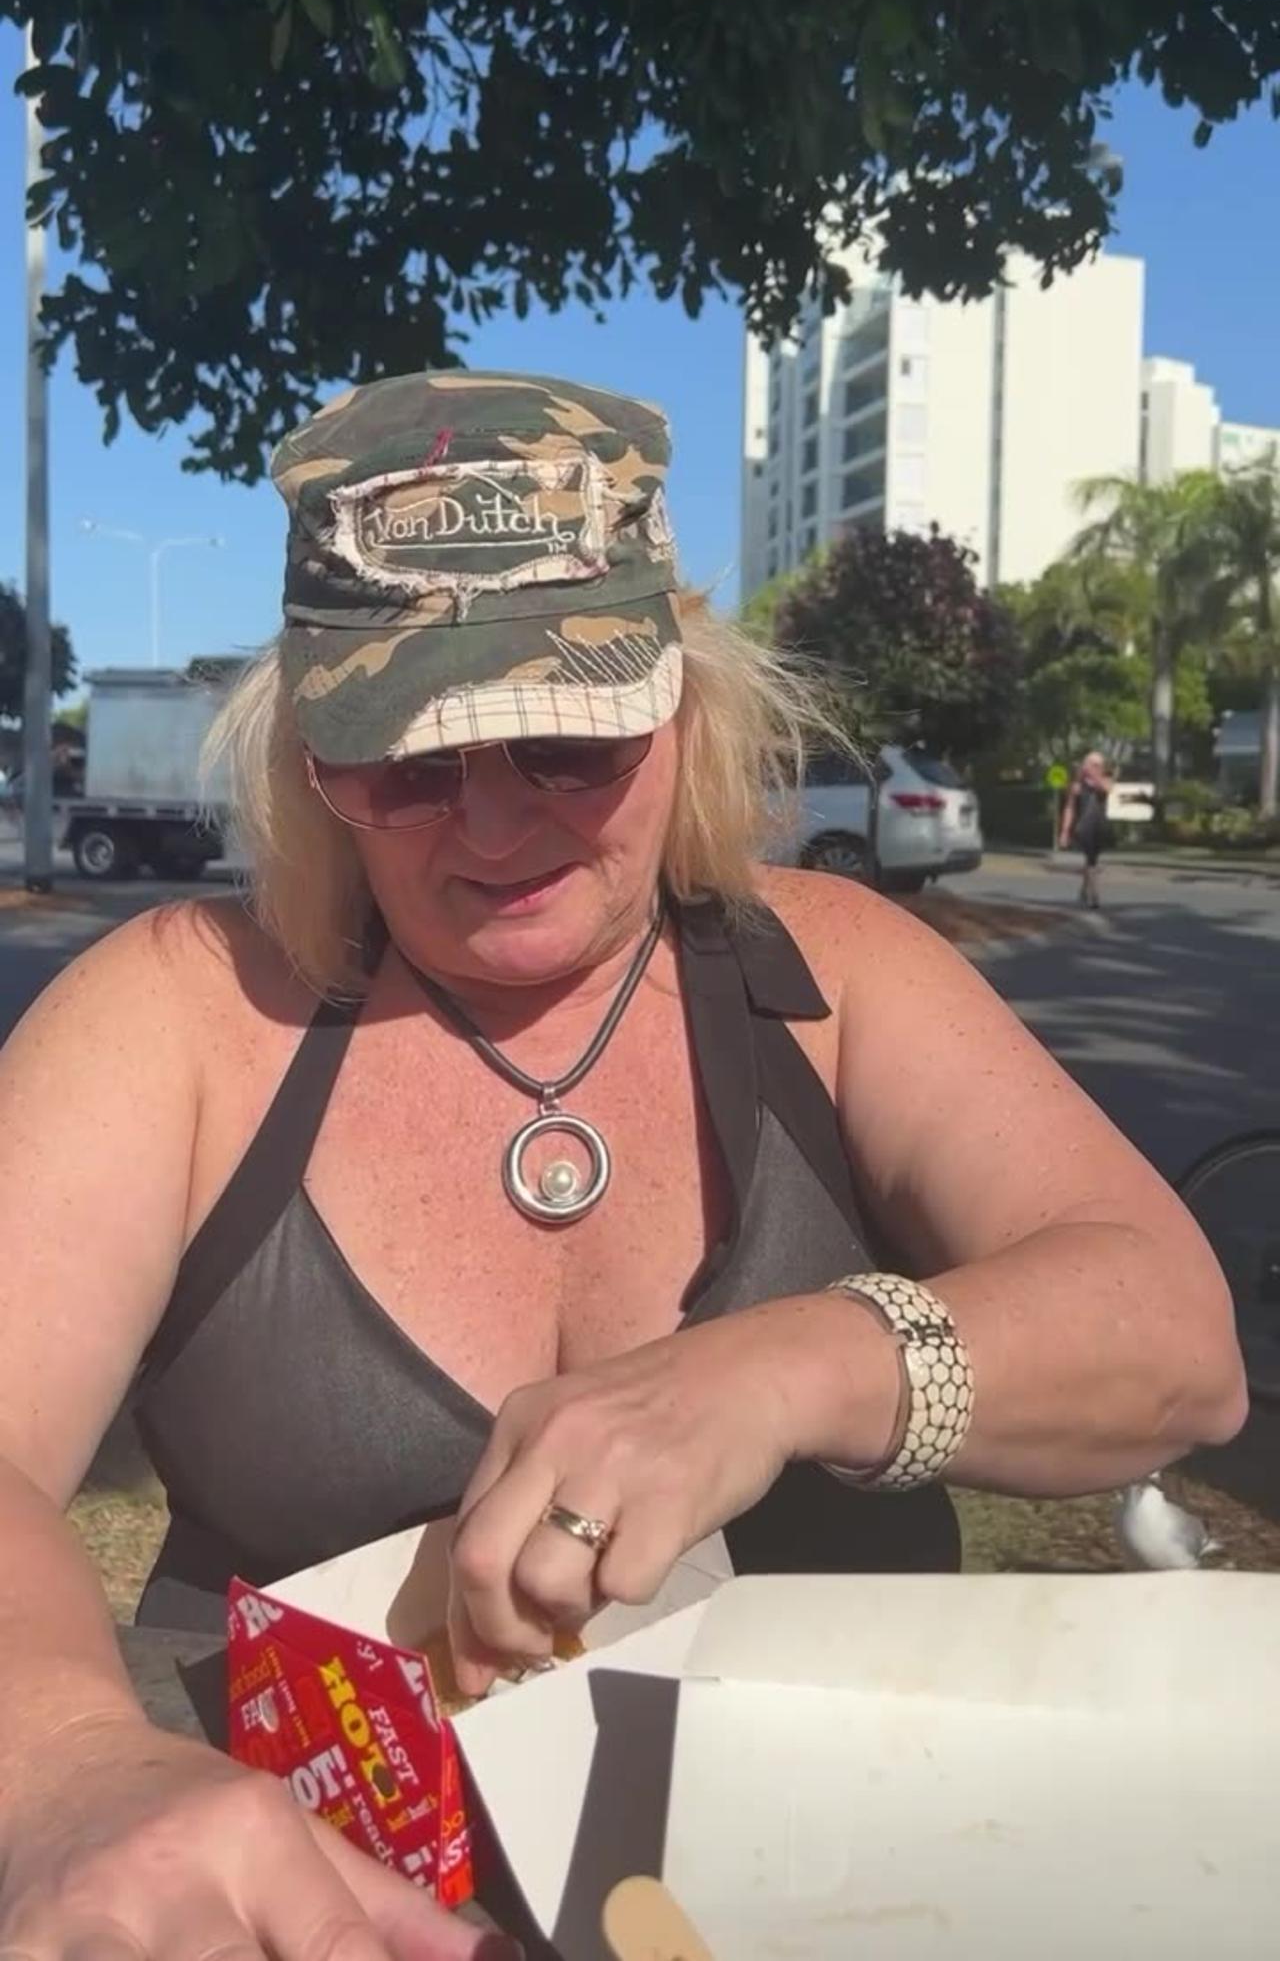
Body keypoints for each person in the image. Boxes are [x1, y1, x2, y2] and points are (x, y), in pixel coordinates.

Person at [0, 374, 1246, 1961]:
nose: (495, 822)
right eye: (409, 761)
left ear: (680, 704)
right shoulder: (182, 1008)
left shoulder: (839, 975)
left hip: (848, 1892)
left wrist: (786, 1370)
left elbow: (1175, 1342)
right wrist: (65, 1764)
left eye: (566, 739)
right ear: (311, 759)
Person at [1060, 749, 1114, 908]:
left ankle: (1084, 890)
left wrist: (1094, 776)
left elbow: (1105, 789)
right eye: (1093, 764)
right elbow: (1069, 808)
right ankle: (1094, 895)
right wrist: (1064, 831)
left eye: (1099, 765)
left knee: (1090, 860)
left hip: (1100, 826)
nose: (1096, 767)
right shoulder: (1077, 786)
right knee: (1092, 861)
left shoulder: (1105, 780)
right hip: (1084, 826)